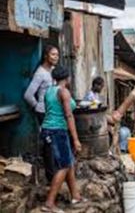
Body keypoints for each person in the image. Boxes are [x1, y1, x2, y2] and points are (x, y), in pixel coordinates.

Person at [40, 66, 85, 212]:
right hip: (57, 131)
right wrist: (76, 139)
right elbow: (68, 116)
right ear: (67, 78)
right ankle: (49, 203)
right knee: (64, 166)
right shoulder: (63, 92)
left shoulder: (49, 91)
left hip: (48, 129)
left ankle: (75, 196)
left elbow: (50, 111)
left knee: (69, 162)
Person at [24, 45, 59, 125]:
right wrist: (37, 106)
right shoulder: (40, 73)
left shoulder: (54, 70)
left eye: (57, 55)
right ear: (45, 56)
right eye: (53, 54)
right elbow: (28, 95)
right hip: (44, 112)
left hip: (53, 110)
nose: (56, 57)